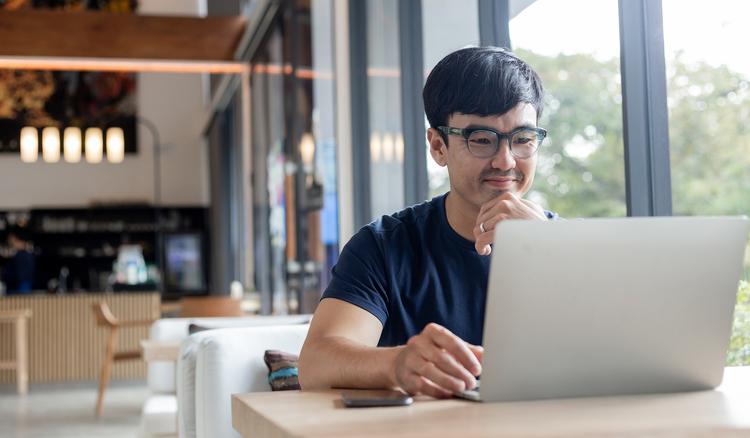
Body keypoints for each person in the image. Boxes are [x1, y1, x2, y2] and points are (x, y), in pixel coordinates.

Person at [298, 46, 560, 398]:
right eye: (482, 140)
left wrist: (552, 252)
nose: (505, 161)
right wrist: (398, 364)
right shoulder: (383, 247)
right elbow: (316, 363)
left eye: (523, 140)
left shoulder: (569, 246)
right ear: (438, 146)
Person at [3, 226, 36, 294]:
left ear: (13, 237)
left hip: (18, 291)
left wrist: (5, 276)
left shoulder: (21, 254)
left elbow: (19, 276)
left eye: (9, 238)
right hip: (22, 289)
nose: (8, 240)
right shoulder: (26, 254)